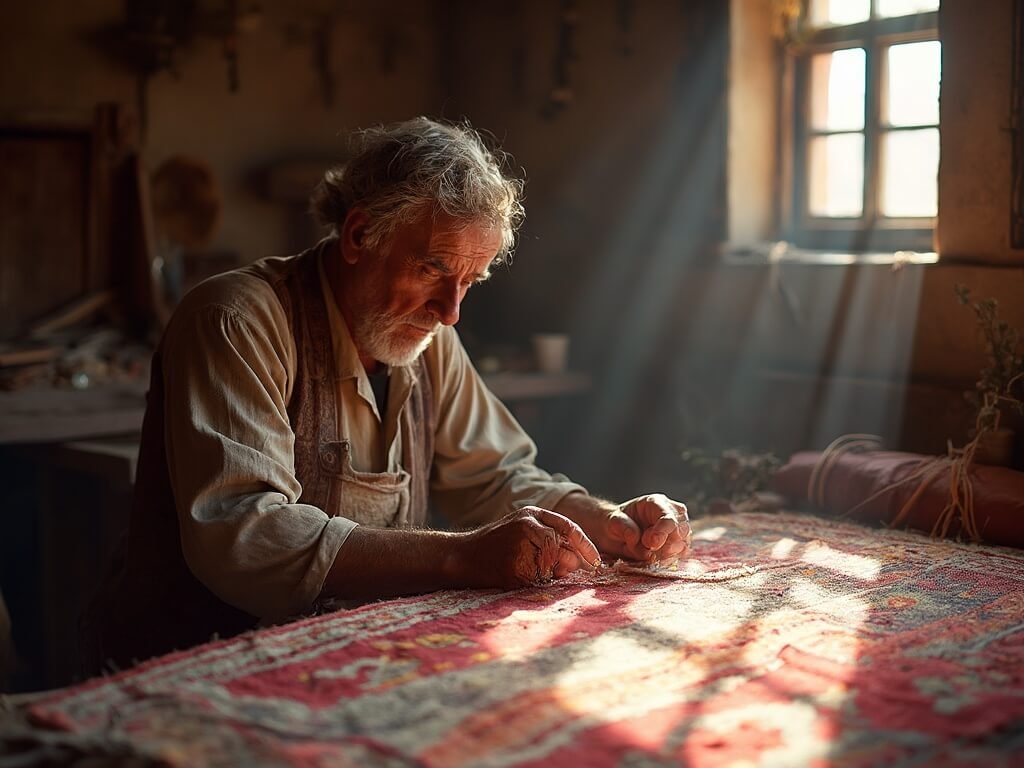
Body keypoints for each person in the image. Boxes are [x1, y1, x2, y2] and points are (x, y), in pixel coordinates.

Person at [84, 117, 690, 672]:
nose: (450, 312)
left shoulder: (426, 339)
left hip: (348, 656)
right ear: (359, 234)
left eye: (468, 283)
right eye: (431, 269)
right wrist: (458, 557)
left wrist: (608, 523)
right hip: (198, 665)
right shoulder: (237, 319)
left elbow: (498, 477)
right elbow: (245, 535)